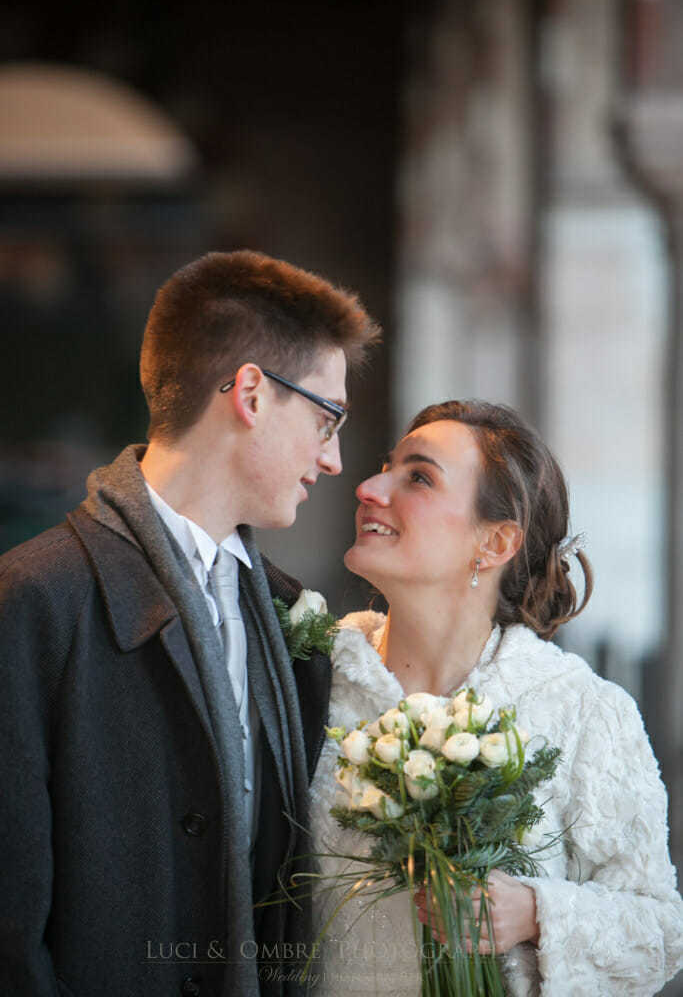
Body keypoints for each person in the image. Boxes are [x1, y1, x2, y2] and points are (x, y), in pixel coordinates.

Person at [0, 249, 381, 997]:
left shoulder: (279, 608)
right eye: (325, 417)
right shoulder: (33, 599)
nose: (332, 458)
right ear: (250, 393)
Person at [309, 400, 683, 996]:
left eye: (419, 477)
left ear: (496, 541)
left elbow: (660, 933)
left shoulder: (584, 711)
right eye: (387, 466)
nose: (370, 487)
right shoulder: (310, 681)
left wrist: (536, 912)